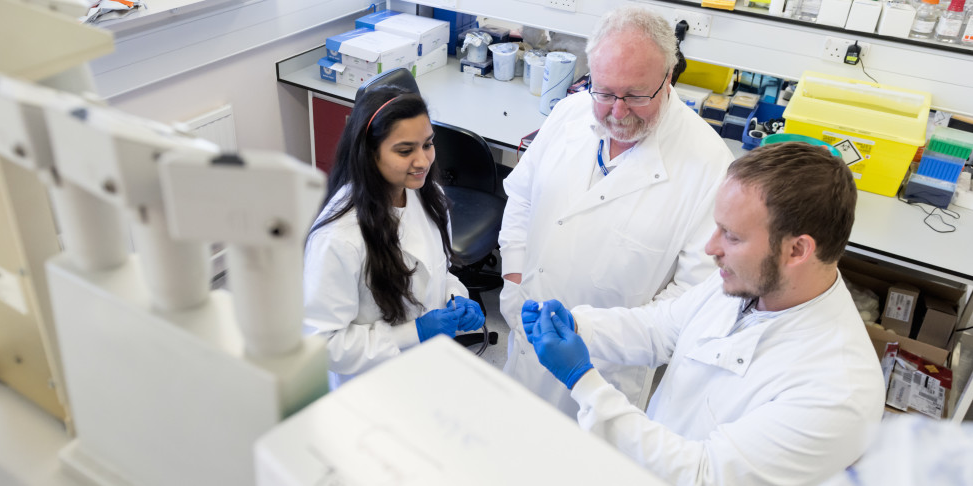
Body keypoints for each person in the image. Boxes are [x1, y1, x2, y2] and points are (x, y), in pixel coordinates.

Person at [525, 142, 886, 485]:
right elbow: (660, 328)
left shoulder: (838, 391)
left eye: (731, 236)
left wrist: (583, 381)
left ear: (797, 250)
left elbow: (703, 476)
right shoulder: (747, 280)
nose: (711, 247)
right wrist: (578, 325)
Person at [498, 5, 734, 414]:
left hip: (606, 365)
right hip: (526, 327)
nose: (618, 111)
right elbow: (521, 195)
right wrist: (516, 278)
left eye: (637, 95)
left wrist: (592, 333)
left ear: (668, 77)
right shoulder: (570, 112)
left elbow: (693, 297)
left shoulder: (710, 164)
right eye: (605, 92)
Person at [303, 86, 485, 389]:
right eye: (405, 151)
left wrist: (457, 297)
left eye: (428, 144)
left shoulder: (429, 197)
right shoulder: (338, 238)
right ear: (370, 153)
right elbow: (323, 344)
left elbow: (438, 271)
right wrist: (413, 332)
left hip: (428, 368)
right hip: (371, 385)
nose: (423, 161)